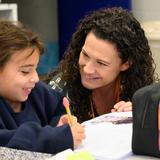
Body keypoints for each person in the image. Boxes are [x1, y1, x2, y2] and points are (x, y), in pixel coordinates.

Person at [46, 7, 158, 123]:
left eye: (101, 63)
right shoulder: (58, 91)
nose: (88, 70)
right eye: (85, 55)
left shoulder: (142, 91)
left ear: (126, 64)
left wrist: (143, 116)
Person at [0, 19, 85, 154]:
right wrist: (57, 138)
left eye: (36, 69)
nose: (34, 78)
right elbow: (6, 144)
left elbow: (57, 109)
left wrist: (58, 123)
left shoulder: (37, 91)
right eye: (25, 71)